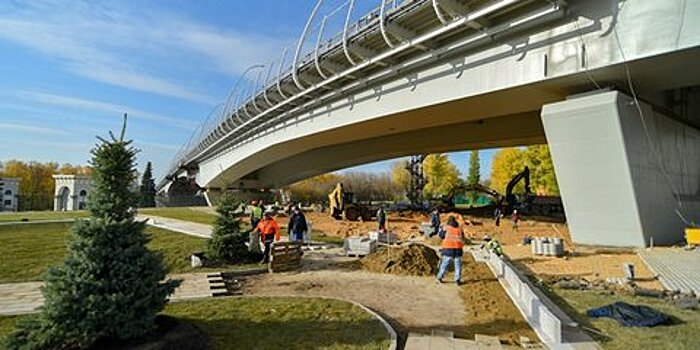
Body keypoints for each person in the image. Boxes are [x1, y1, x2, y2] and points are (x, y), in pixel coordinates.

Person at [437, 216, 465, 285]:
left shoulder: (446, 228)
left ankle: (440, 277)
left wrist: (442, 229)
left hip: (447, 248)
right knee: (458, 265)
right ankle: (457, 279)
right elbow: (462, 237)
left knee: (444, 264)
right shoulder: (459, 229)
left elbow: (440, 236)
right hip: (458, 249)